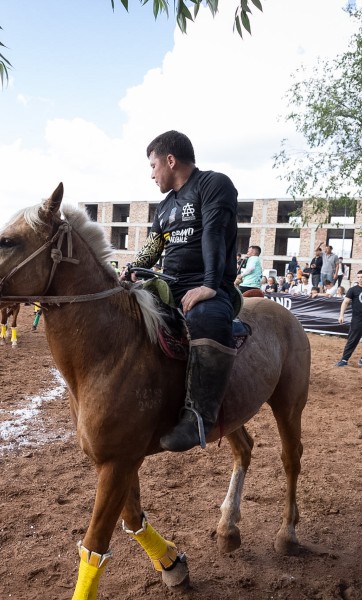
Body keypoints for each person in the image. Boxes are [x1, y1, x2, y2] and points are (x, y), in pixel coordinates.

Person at [123, 130, 238, 452]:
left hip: (208, 283)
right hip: (168, 284)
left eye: (153, 165)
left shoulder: (214, 184)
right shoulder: (164, 207)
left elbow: (214, 233)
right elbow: (152, 246)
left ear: (170, 160)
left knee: (208, 319)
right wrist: (132, 269)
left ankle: (198, 417)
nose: (151, 174)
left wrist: (210, 286)